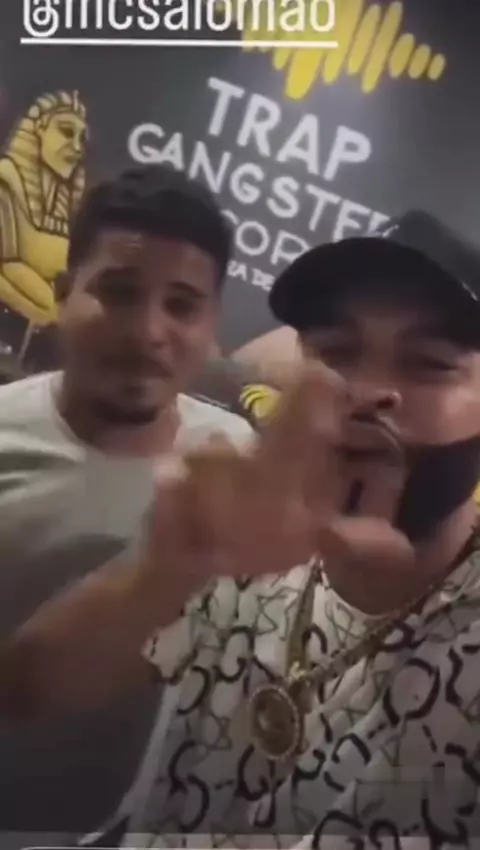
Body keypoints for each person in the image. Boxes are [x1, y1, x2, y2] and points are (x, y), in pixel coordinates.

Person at [3, 209, 480, 849]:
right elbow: (26, 690)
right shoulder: (246, 532)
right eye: (337, 352)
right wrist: (164, 571)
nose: (368, 389)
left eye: (429, 363)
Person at [0, 164, 252, 842]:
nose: (148, 331)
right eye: (118, 292)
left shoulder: (235, 457)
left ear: (212, 323)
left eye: (182, 305)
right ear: (62, 295)